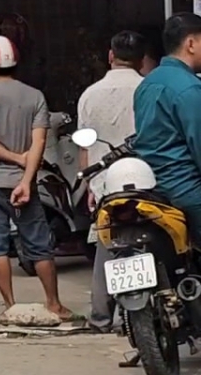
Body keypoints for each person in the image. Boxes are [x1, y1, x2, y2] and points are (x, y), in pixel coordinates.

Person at [0, 35, 72, 322]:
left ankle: (10, 305)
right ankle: (54, 304)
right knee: (39, 245)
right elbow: (39, 142)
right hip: (23, 183)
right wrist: (25, 177)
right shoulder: (35, 96)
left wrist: (13, 158)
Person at [78, 30, 145, 333]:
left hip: (105, 183)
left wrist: (89, 184)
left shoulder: (90, 95)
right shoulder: (148, 89)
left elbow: (85, 147)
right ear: (142, 60)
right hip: (146, 181)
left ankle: (101, 316)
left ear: (110, 56)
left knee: (107, 245)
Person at [132, 13, 201, 241]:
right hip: (188, 191)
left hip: (153, 188)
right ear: (191, 44)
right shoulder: (189, 88)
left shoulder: (147, 84)